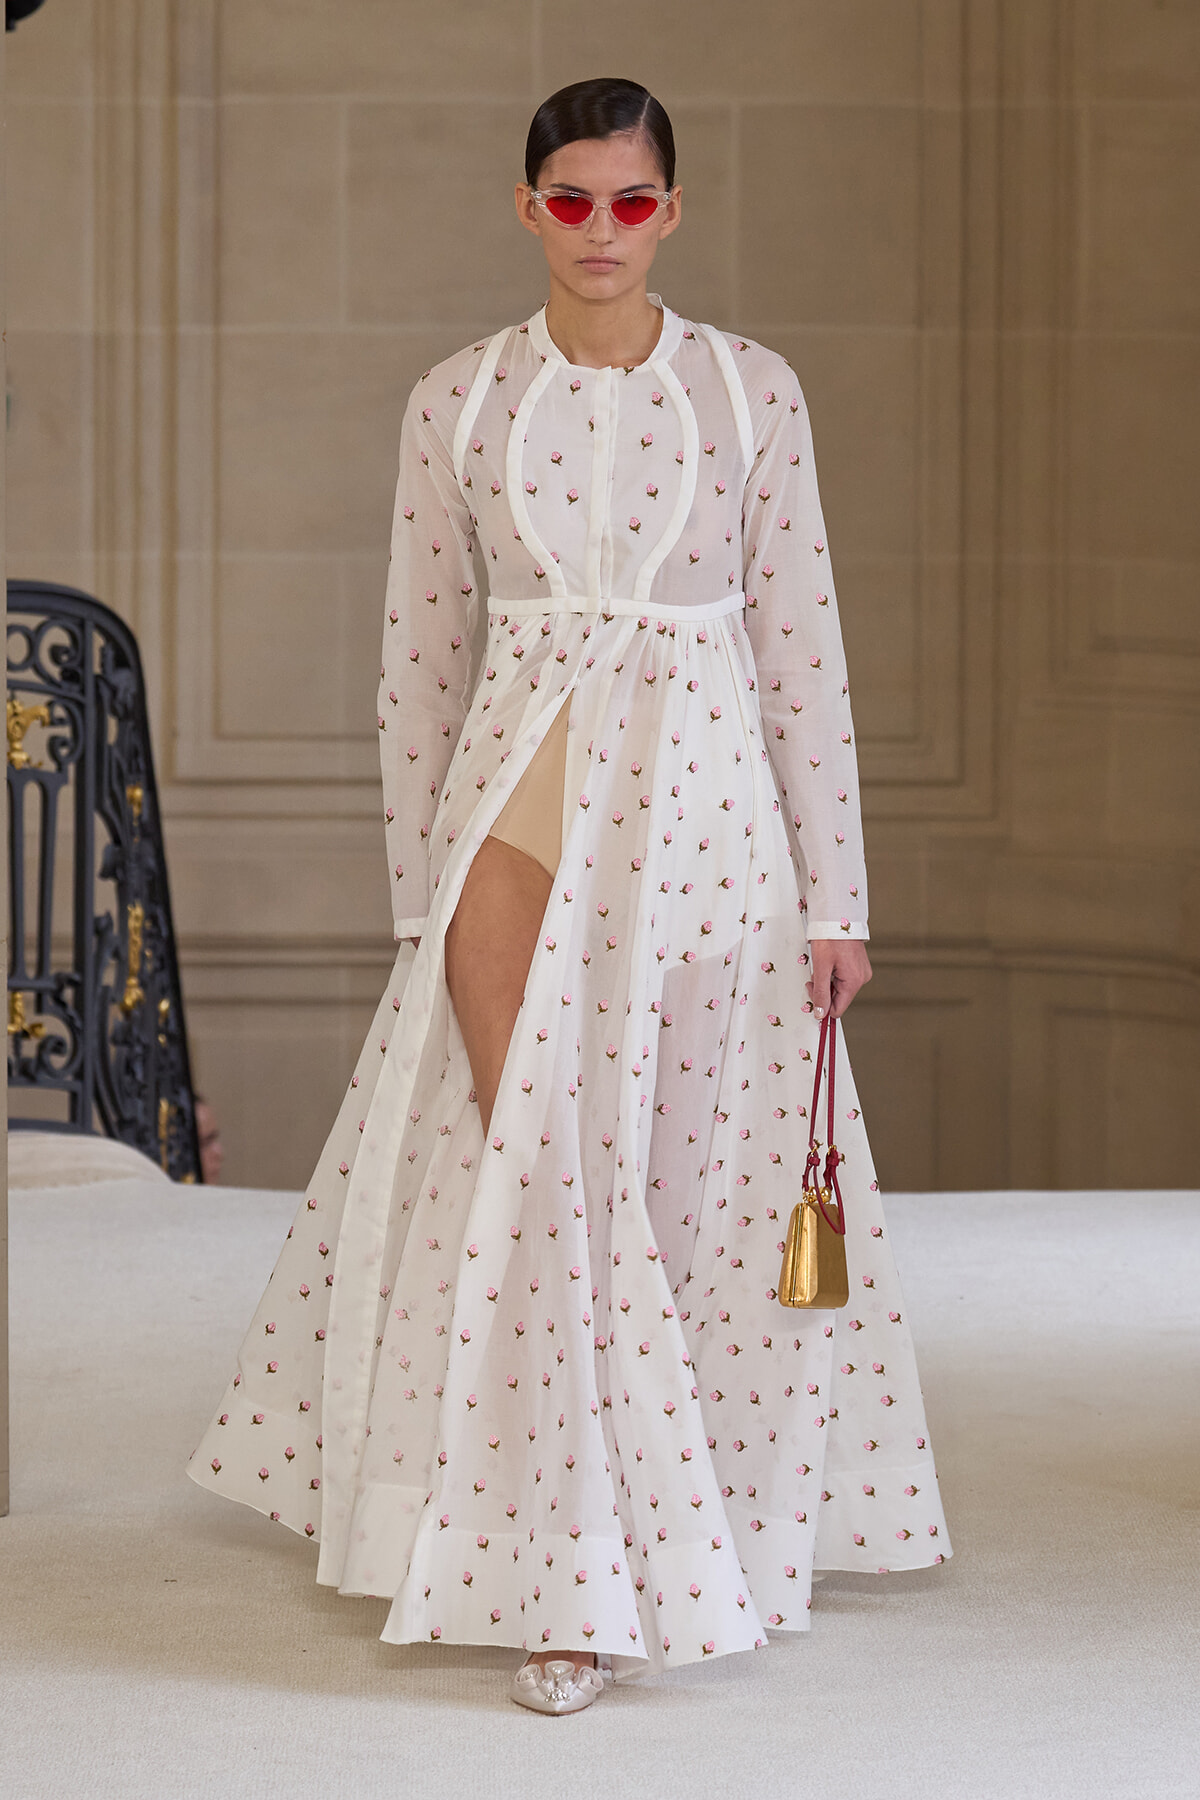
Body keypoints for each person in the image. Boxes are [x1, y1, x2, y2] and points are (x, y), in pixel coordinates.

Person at [187, 76, 951, 1717]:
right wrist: (416, 900)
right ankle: (562, 1571)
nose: (600, 230)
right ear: (527, 208)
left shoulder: (753, 396)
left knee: (666, 1185)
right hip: (515, 814)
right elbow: (419, 663)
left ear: (672, 211)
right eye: (570, 201)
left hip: (706, 831)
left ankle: (643, 1544)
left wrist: (842, 900)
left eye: (630, 202)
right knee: (533, 1168)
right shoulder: (457, 402)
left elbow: (802, 652)